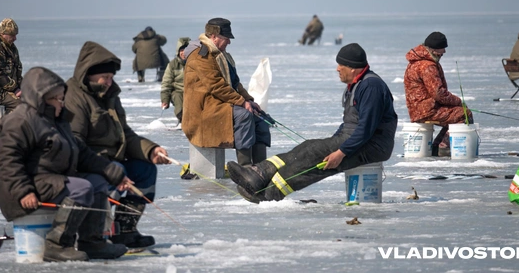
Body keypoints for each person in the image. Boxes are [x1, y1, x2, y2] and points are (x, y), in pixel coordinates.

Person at [227, 43, 397, 203]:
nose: (337, 69)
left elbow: (366, 129)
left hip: (373, 145)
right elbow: (350, 123)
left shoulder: (371, 87)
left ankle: (269, 194)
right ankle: (259, 174)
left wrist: (340, 153)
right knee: (308, 148)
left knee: (312, 158)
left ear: (353, 68)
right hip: (355, 139)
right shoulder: (356, 85)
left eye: (341, 65)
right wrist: (334, 142)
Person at [0, 67, 134, 262]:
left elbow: (82, 153)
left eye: (62, 98)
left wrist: (113, 173)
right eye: (57, 99)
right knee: (81, 188)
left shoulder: (57, 120)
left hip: (53, 180)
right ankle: (57, 245)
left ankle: (92, 242)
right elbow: (8, 162)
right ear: (41, 97)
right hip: (28, 184)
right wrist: (23, 191)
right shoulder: (19, 121)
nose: (61, 103)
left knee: (97, 183)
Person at [64, 41, 171, 248]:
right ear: (89, 73)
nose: (109, 82)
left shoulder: (109, 95)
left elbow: (125, 134)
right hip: (86, 166)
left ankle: (125, 229)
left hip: (111, 162)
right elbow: (74, 142)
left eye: (112, 77)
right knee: (118, 170)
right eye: (106, 77)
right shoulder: (74, 97)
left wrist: (151, 150)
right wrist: (107, 167)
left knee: (145, 170)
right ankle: (96, 232)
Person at [182, 18, 271, 166]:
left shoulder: (222, 56)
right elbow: (216, 86)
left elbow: (235, 83)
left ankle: (261, 168)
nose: (229, 42)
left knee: (261, 118)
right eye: (226, 38)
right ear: (213, 36)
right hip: (205, 109)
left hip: (220, 103)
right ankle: (246, 167)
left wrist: (249, 101)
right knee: (243, 115)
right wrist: (241, 103)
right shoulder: (201, 56)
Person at [403, 32, 473, 156]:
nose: (444, 52)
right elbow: (438, 93)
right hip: (427, 110)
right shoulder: (427, 66)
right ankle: (443, 147)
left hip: (417, 108)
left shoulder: (415, 62)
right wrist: (459, 101)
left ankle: (436, 146)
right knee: (464, 114)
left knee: (456, 112)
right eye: (442, 48)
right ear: (434, 49)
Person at [161, 37, 190, 125]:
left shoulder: (196, 63)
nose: (183, 52)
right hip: (178, 92)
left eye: (186, 50)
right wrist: (165, 100)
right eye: (181, 50)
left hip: (193, 91)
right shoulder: (173, 65)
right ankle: (182, 120)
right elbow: (166, 83)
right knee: (178, 98)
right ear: (178, 51)